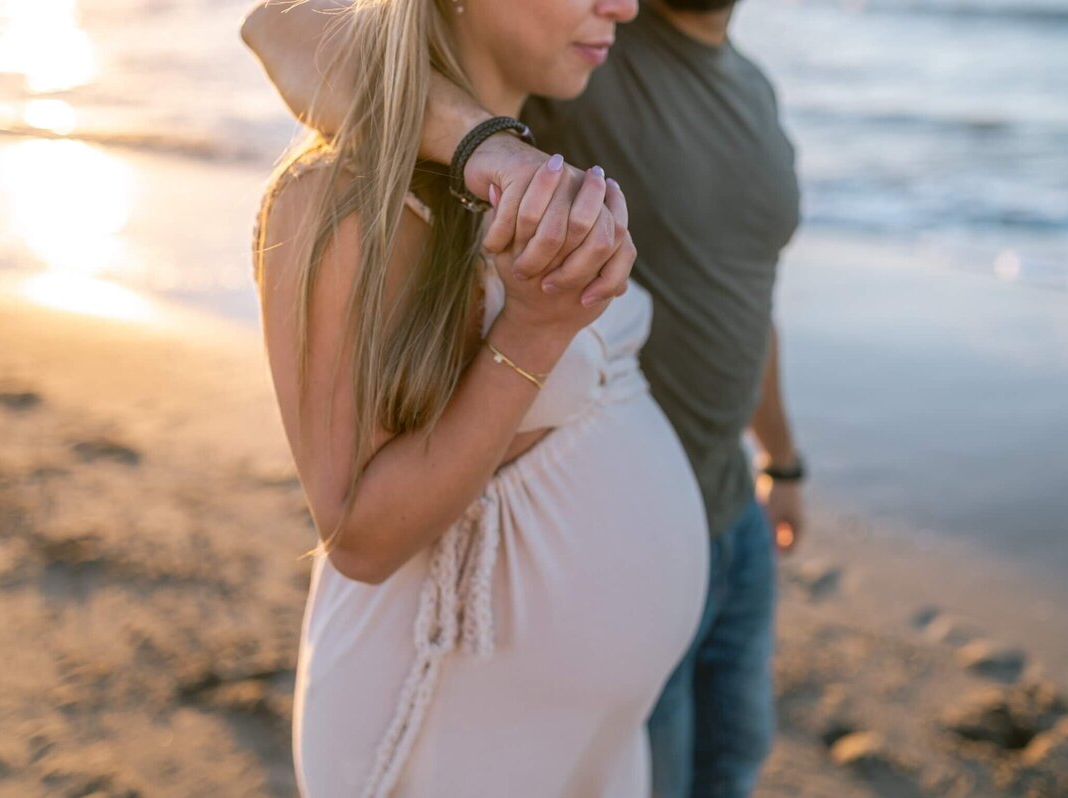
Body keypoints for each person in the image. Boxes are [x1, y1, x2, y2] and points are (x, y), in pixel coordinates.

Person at [243, 0, 805, 794]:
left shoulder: (579, 117)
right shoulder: (353, 197)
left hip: (594, 729)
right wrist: (532, 312)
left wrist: (783, 459)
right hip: (452, 728)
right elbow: (359, 536)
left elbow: (753, 300)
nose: (623, 5)